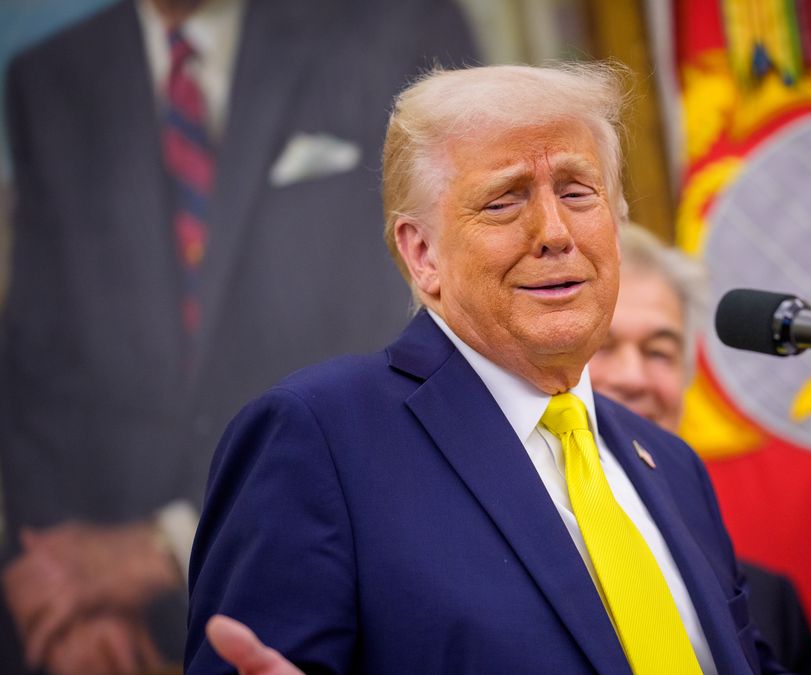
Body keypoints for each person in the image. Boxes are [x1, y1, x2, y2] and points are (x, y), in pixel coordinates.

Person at [185, 63, 811, 674]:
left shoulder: (665, 464)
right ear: (421, 255)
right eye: (502, 202)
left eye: (577, 191)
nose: (554, 232)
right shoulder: (320, 437)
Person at [0, 0, 474, 671]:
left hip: (343, 543)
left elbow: (440, 317)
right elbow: (33, 369)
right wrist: (63, 596)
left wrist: (173, 540)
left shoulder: (398, 28)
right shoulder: (49, 79)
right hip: (111, 615)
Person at [590, 222, 811, 673]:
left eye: (659, 352)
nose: (633, 378)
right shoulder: (505, 576)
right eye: (603, 345)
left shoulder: (770, 605)